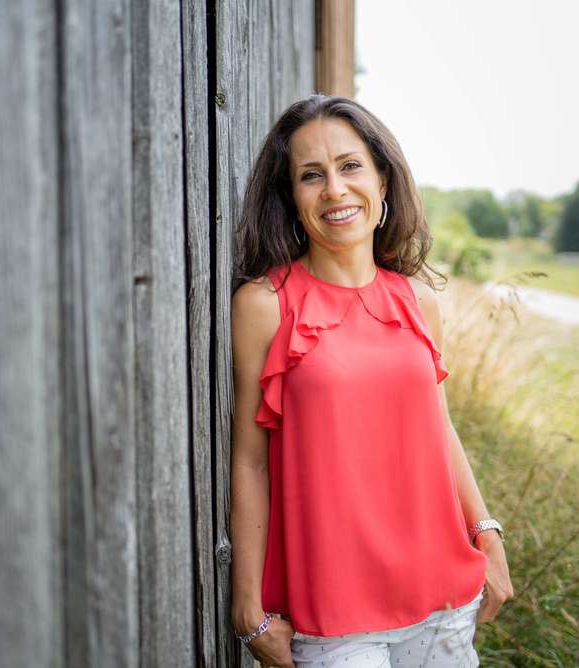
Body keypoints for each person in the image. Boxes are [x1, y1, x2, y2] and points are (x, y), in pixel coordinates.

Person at [229, 95, 514, 668]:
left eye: (350, 166)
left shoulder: (419, 301)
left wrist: (487, 532)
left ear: (383, 182)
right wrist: (246, 606)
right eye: (312, 175)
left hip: (442, 602)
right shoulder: (265, 305)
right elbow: (250, 461)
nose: (335, 189)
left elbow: (440, 427)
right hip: (333, 617)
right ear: (292, 198)